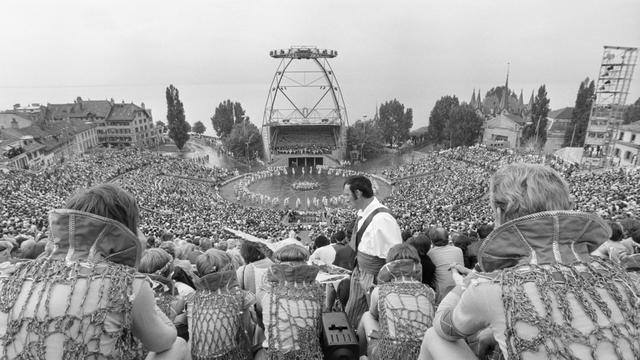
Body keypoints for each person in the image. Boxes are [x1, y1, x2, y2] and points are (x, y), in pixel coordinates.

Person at [420, 163, 640, 360]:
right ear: (568, 206)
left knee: (433, 337)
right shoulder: (620, 274)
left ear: (498, 214)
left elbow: (443, 327)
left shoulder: (494, 288)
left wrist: (471, 280)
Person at [0, 183, 187, 360]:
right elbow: (165, 340)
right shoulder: (127, 282)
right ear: (126, 229)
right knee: (178, 345)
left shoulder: (16, 273)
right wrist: (133, 270)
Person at [342, 175, 402, 328]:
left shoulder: (382, 219)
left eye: (347, 195)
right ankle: (353, 341)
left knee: (374, 317)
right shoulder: (365, 212)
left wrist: (381, 285)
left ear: (358, 193)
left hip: (373, 278)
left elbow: (395, 257)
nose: (345, 199)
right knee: (353, 310)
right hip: (360, 271)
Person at [358, 243, 436, 360]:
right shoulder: (429, 291)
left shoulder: (380, 290)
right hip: (422, 354)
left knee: (366, 316)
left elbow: (374, 315)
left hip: (388, 353)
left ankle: (360, 355)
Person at [186, 249, 258, 360]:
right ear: (229, 270)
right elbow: (246, 330)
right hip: (231, 355)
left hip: (197, 356)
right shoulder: (240, 296)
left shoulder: (192, 298)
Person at [257, 243, 324, 360]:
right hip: (310, 354)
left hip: (275, 355)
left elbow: (261, 323)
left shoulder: (266, 294)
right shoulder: (317, 293)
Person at [426, 227, 463, 303]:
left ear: (432, 240)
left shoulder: (430, 254)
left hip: (442, 295)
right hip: (460, 291)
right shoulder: (458, 250)